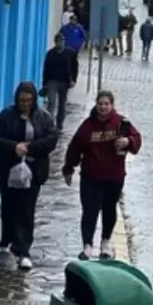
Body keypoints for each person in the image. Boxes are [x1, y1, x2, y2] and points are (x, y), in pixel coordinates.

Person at [62, 91, 142, 260]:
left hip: (114, 176)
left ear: (112, 105)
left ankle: (105, 241)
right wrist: (68, 168)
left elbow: (136, 138)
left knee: (109, 209)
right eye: (100, 104)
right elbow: (75, 147)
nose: (103, 107)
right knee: (90, 210)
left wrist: (128, 142)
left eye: (106, 104)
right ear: (96, 105)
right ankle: (87, 245)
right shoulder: (88, 126)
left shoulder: (121, 123)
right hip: (91, 176)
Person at [0, 82, 59, 270]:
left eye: (29, 100)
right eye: (22, 100)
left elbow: (52, 139)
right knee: (9, 204)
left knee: (27, 209)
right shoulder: (6, 116)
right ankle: (7, 239)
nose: (25, 104)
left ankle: (23, 250)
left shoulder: (44, 118)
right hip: (8, 168)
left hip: (33, 169)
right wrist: (14, 147)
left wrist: (30, 148)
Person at [42, 33, 78, 130]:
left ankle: (60, 123)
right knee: (51, 102)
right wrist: (44, 83)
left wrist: (74, 80)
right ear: (55, 42)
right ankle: (48, 123)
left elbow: (75, 67)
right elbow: (46, 69)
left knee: (62, 103)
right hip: (52, 81)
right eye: (58, 41)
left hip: (64, 82)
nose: (60, 43)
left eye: (62, 40)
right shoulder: (50, 53)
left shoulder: (70, 53)